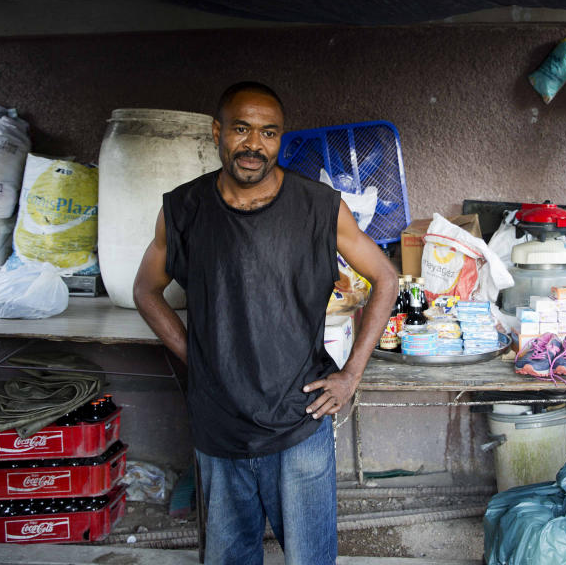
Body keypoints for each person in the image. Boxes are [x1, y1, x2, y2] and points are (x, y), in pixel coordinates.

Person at [133, 81, 397, 565]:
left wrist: (351, 375)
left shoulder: (319, 206)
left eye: (269, 133)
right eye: (242, 129)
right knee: (230, 557)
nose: (255, 145)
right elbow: (145, 292)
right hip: (219, 427)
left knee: (309, 558)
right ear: (218, 132)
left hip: (300, 421)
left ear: (281, 139)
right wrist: (198, 357)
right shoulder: (184, 209)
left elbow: (386, 277)